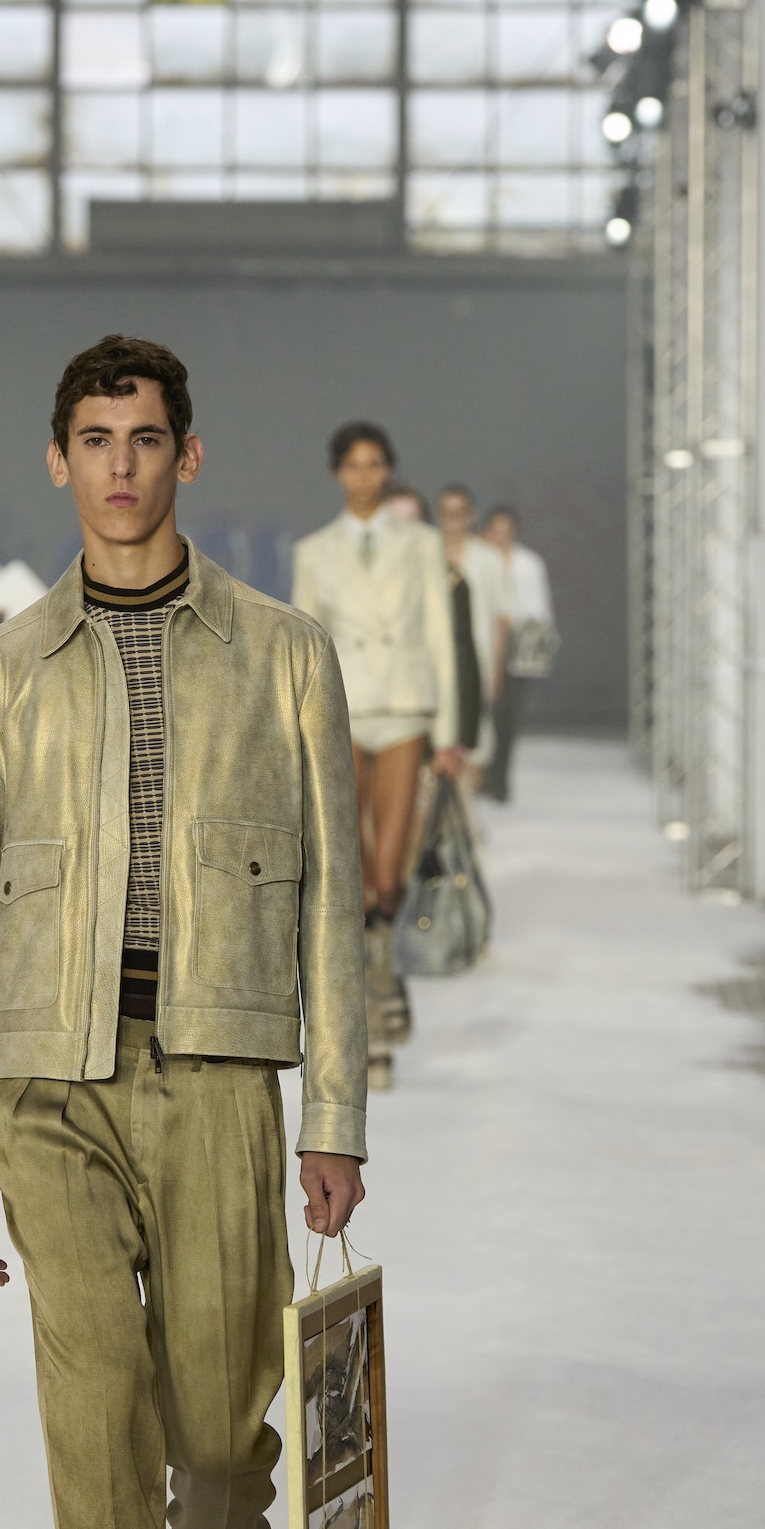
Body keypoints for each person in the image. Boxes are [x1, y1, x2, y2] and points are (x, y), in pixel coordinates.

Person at [0, 334, 367, 1529]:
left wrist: (335, 1112)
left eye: (145, 438)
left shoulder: (284, 654)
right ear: (59, 460)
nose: (120, 465)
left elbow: (335, 900)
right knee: (95, 1412)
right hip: (44, 1082)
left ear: (189, 455)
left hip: (217, 1069)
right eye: (95, 438)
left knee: (216, 1429)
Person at [292, 424, 458, 1089]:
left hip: (404, 708)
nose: (364, 476)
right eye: (353, 465)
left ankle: (382, 977)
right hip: (342, 711)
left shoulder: (420, 545)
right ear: (338, 473)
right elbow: (304, 642)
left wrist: (449, 731)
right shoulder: (314, 551)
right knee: (351, 871)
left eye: (375, 464)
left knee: (387, 873)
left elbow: (440, 634)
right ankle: (369, 1019)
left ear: (388, 470)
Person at [480, 505, 557, 803]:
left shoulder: (529, 563)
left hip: (518, 643)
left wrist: (535, 647)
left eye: (506, 530)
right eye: (495, 529)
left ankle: (499, 779)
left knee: (507, 716)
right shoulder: (478, 560)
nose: (500, 536)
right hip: (484, 640)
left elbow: (539, 607)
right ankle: (482, 775)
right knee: (482, 714)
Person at [434, 485, 509, 784]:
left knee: (476, 741)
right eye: (446, 512)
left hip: (477, 661)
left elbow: (500, 618)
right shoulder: (424, 553)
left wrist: (496, 670)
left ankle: (466, 804)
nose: (452, 519)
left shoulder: (488, 559)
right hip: (432, 663)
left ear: (471, 515)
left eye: (459, 512)